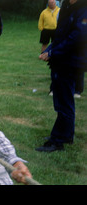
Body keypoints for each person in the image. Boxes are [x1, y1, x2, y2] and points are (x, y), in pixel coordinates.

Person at [36, 0, 87, 152]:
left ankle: (57, 140)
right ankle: (66, 135)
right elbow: (60, 34)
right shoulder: (66, 6)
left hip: (71, 61)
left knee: (64, 101)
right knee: (63, 99)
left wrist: (53, 52)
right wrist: (49, 49)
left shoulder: (83, 8)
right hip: (61, 60)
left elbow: (78, 36)